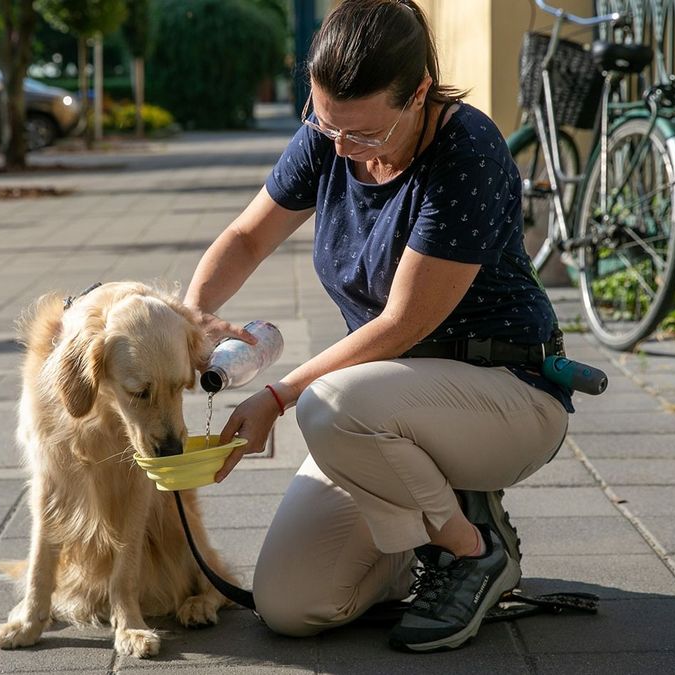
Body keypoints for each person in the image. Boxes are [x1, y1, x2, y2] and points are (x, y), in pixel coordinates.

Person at [182, 0, 572, 653]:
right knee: (293, 605)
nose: (340, 148)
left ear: (419, 93)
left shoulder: (467, 150)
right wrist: (192, 316)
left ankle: (472, 549)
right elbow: (248, 238)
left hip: (505, 393)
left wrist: (278, 395)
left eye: (362, 134)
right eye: (323, 121)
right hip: (383, 411)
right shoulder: (333, 132)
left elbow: (400, 324)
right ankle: (412, 537)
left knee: (326, 405)